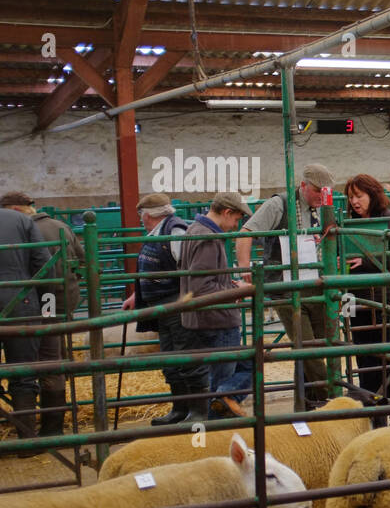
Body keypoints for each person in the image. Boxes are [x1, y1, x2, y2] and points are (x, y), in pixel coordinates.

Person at [237, 162, 333, 406]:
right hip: (286, 286)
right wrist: (245, 267)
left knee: (321, 344)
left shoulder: (325, 207)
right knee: (308, 347)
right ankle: (331, 397)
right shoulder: (278, 204)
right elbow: (245, 232)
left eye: (325, 192)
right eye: (316, 191)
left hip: (317, 282)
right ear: (303, 186)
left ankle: (306, 404)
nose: (321, 196)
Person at [0, 192, 84, 436]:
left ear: (13, 208)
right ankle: (41, 434)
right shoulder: (58, 226)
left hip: (39, 302)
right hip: (38, 303)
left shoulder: (25, 224)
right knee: (34, 366)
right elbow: (72, 265)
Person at [121, 192, 206, 427]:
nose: (140, 219)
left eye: (141, 215)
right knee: (171, 358)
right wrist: (137, 295)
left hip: (177, 304)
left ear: (147, 215)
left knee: (185, 356)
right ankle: (180, 409)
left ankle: (197, 412)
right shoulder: (159, 232)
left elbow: (186, 269)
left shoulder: (175, 232)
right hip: (163, 306)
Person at [343, 173, 390, 414]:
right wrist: (344, 308)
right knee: (366, 362)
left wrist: (366, 262)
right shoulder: (346, 223)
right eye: (351, 197)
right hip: (359, 303)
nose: (354, 201)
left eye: (359, 196)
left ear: (372, 195)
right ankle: (373, 416)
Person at [180, 192, 252, 423]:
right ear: (227, 212)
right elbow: (203, 287)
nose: (236, 225)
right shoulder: (209, 238)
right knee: (224, 381)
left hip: (202, 318)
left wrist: (228, 284)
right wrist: (235, 292)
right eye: (237, 218)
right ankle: (215, 425)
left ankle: (219, 406)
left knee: (247, 365)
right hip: (216, 319)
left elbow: (201, 280)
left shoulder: (195, 229)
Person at [0, 195, 52, 443]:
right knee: (23, 372)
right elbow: (44, 265)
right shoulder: (21, 220)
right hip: (20, 302)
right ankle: (27, 441)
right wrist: (49, 311)